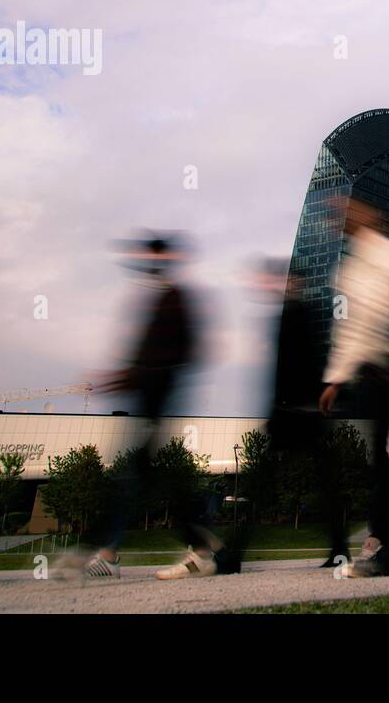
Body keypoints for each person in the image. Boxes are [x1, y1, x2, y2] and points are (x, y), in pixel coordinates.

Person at [83, 232, 227, 580]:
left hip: (158, 403)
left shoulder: (175, 298)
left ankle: (110, 552)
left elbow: (186, 352)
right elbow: (150, 359)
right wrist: (123, 377)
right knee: (148, 476)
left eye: (153, 256)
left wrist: (137, 377)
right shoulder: (159, 299)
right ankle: (197, 549)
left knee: (139, 476)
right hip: (149, 402)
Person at [317, 193, 389, 577]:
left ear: (369, 217)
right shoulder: (348, 270)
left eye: (346, 212)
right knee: (380, 456)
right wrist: (335, 378)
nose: (339, 218)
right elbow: (350, 329)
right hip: (376, 370)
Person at [261, 262, 349, 570]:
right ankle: (340, 548)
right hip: (304, 414)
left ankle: (233, 552)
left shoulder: (295, 315)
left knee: (263, 484)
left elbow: (292, 368)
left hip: (296, 414)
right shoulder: (302, 314)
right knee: (324, 485)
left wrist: (278, 408)